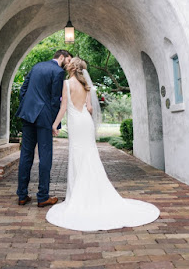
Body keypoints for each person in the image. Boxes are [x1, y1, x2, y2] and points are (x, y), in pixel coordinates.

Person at [46, 57, 160, 231]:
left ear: (72, 67)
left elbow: (63, 108)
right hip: (86, 122)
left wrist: (54, 125)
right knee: (90, 155)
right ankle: (94, 193)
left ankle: (79, 196)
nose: (67, 64)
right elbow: (90, 108)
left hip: (76, 123)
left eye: (69, 63)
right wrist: (85, 112)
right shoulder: (86, 86)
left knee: (77, 156)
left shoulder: (67, 84)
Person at [15, 49, 72, 207]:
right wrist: (56, 124)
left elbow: (23, 90)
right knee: (45, 156)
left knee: (26, 155)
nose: (68, 65)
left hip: (28, 115)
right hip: (44, 118)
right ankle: (42, 197)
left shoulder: (36, 66)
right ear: (62, 57)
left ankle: (22, 195)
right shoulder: (58, 72)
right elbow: (55, 100)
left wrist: (28, 107)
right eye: (68, 60)